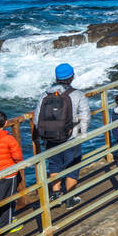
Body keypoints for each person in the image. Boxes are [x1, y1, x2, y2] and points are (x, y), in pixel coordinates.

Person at [32, 63, 91, 207]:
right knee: (72, 165)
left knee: (54, 165)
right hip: (71, 137)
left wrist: (44, 134)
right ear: (71, 77)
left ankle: (55, 195)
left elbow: (36, 119)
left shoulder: (45, 94)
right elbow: (85, 117)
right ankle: (70, 198)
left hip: (50, 137)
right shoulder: (77, 94)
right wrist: (80, 134)